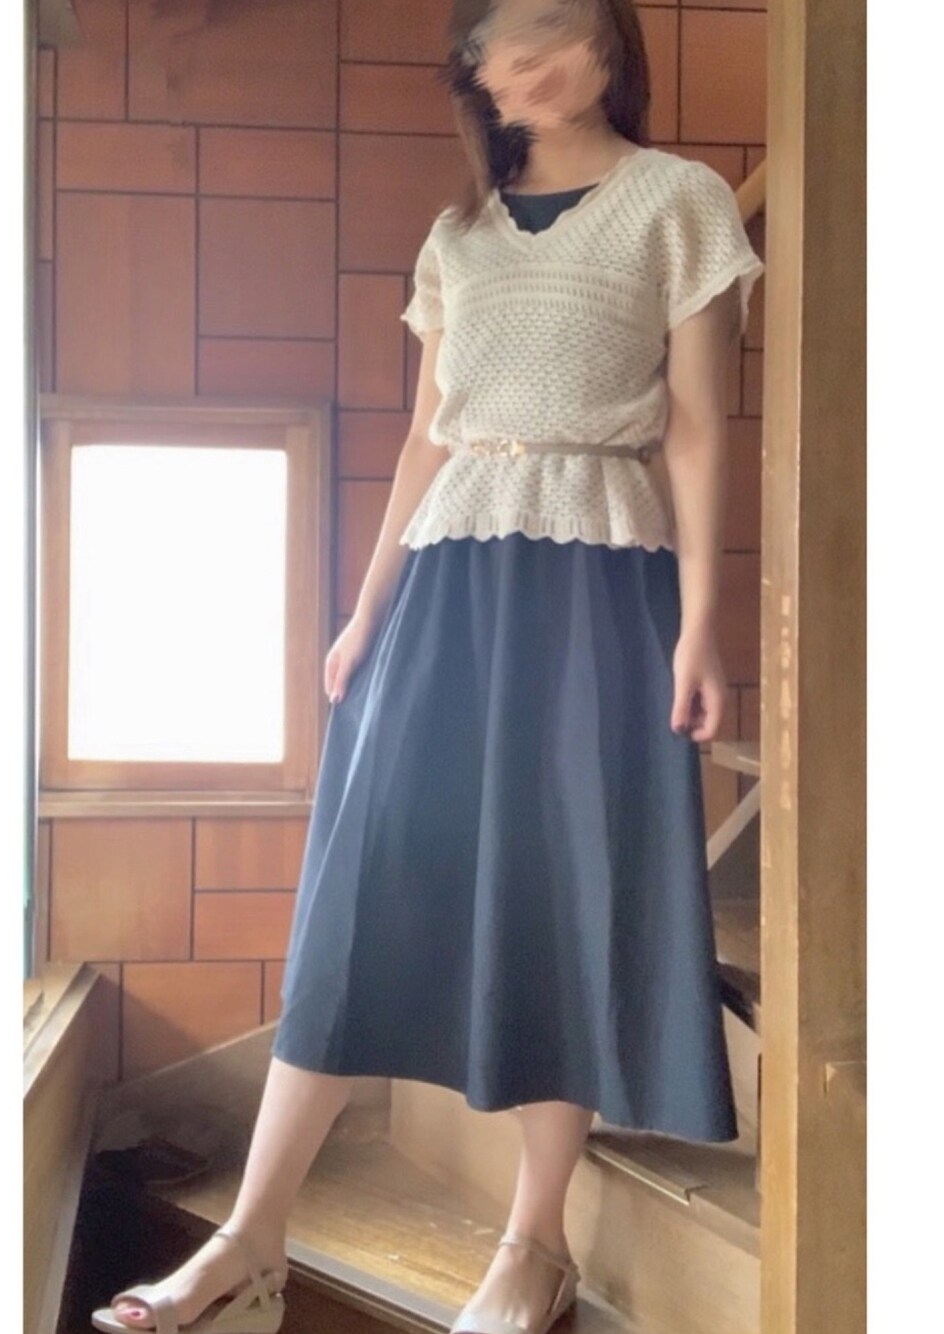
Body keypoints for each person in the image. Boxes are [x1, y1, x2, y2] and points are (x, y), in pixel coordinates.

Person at [91, 3, 765, 1333]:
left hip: (599, 579)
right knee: (360, 884)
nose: (536, 62)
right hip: (447, 581)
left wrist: (700, 620)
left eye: (558, 28)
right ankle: (250, 1236)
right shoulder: (457, 237)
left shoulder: (678, 201)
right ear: (478, 80)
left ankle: (533, 1246)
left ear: (610, 43)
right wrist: (364, 612)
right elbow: (425, 439)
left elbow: (695, 426)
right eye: (504, 46)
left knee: (568, 886)